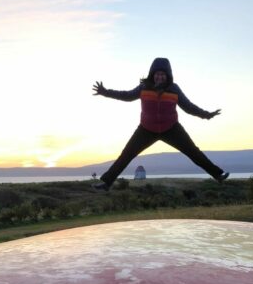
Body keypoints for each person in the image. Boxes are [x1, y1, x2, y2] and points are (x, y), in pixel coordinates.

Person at [91, 57, 229, 191]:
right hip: (146, 129)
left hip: (171, 128)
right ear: (152, 74)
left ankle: (218, 175)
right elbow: (127, 96)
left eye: (163, 74)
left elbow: (188, 107)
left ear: (168, 76)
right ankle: (106, 183)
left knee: (193, 152)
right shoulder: (144, 87)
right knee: (126, 155)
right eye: (157, 74)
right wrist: (105, 92)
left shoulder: (174, 89)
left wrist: (207, 115)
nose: (160, 77)